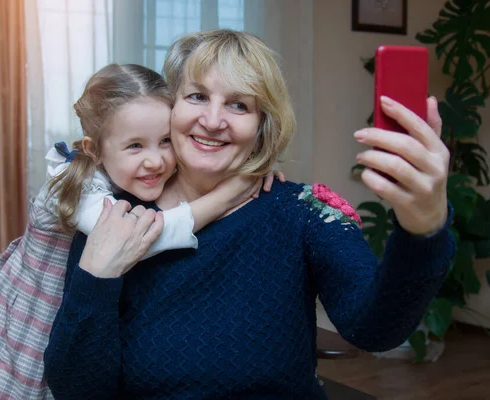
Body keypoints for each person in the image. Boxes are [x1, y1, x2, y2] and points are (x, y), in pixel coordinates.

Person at [43, 30, 455, 399]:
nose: (212, 120)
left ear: (263, 125)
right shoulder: (117, 216)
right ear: (170, 107)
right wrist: (94, 277)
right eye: (197, 96)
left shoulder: (304, 212)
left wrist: (424, 226)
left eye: (238, 105)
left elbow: (375, 329)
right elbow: (77, 389)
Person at [0, 63, 280, 400]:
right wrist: (230, 192)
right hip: (38, 304)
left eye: (165, 141)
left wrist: (250, 166)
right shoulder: (73, 184)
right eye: (135, 146)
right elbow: (140, 238)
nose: (155, 160)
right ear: (94, 150)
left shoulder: (137, 172)